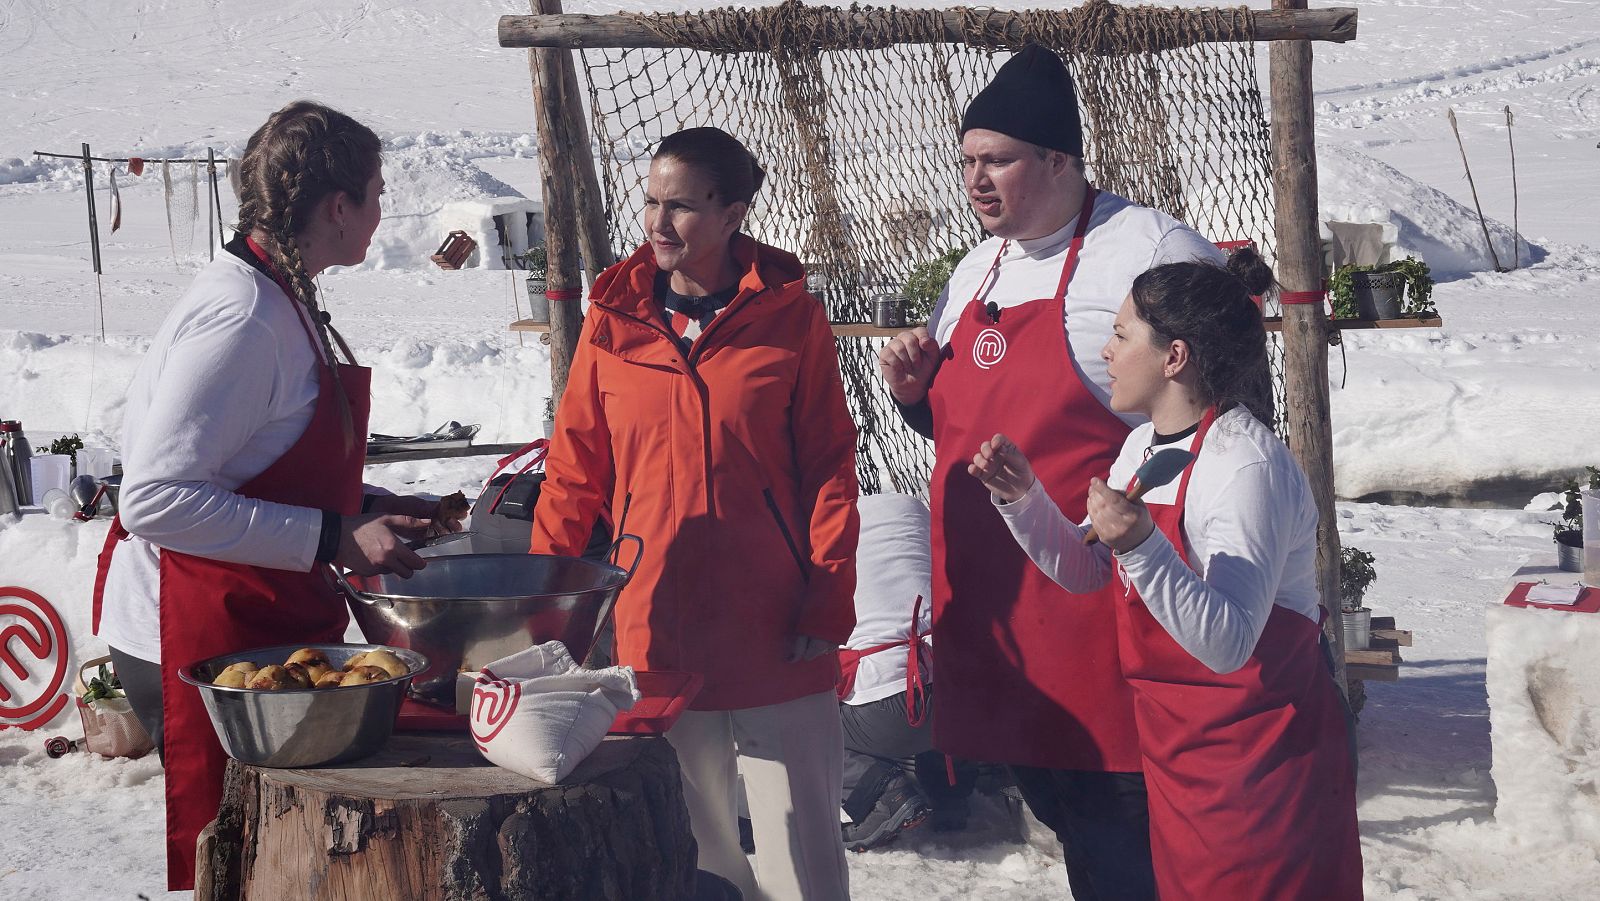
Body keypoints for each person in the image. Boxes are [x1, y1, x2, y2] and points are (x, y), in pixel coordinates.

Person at [876, 44, 1223, 899]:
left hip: (1103, 605)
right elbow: (961, 418)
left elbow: (1216, 415)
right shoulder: (975, 267)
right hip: (1002, 615)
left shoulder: (1145, 247)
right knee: (1069, 816)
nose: (977, 181)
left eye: (998, 160)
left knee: (1126, 834)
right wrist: (917, 396)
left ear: (1061, 158)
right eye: (967, 161)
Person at [91, 100, 460, 892]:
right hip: (193, 626)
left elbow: (254, 460)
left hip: (249, 609)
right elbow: (153, 499)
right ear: (337, 207)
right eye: (378, 192)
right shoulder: (242, 317)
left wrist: (364, 501)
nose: (383, 210)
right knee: (258, 865)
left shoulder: (280, 296)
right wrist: (334, 536)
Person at [970, 250, 1364, 900]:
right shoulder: (1145, 447)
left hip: (1266, 764)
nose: (1106, 351)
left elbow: (1231, 640)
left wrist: (1143, 544)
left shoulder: (1244, 466)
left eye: (1122, 335)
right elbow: (1091, 566)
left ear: (1174, 356)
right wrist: (1025, 499)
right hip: (1183, 759)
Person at [530, 126, 858, 901]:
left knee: (800, 859)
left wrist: (829, 592)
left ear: (733, 212)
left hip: (778, 625)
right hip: (657, 626)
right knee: (690, 857)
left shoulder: (792, 319)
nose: (657, 221)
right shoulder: (611, 322)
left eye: (680, 206)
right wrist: (548, 606)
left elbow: (828, 469)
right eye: (650, 200)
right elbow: (574, 474)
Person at [837, 492, 976, 852]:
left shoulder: (833, 538)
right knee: (929, 665)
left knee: (802, 720)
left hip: (892, 715)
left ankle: (884, 795)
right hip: (962, 703)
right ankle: (951, 794)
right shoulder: (919, 525)